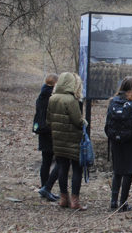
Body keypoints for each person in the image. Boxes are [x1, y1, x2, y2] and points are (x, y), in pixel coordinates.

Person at [47, 72, 88, 210]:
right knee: (77, 169)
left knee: (62, 168)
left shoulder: (52, 98)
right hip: (73, 140)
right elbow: (77, 121)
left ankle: (63, 198)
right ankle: (75, 201)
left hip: (58, 140)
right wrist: (85, 122)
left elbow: (48, 120)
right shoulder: (71, 100)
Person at [105, 76, 132, 212]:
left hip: (115, 141)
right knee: (128, 172)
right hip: (130, 141)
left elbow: (107, 123)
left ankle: (113, 202)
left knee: (117, 170)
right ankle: (123, 203)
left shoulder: (112, 101)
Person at [34, 73, 60, 202]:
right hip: (51, 131)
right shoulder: (53, 96)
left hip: (42, 131)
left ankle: (45, 186)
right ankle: (47, 188)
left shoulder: (41, 95)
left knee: (46, 161)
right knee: (59, 161)